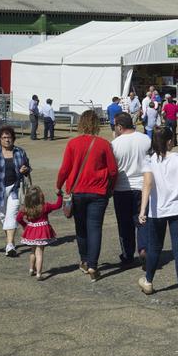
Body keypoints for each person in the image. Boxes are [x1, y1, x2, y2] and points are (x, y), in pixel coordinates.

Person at [56, 110, 118, 282]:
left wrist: (58, 186)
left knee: (81, 228)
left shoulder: (73, 143)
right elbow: (113, 170)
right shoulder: (104, 144)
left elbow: (64, 169)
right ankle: (93, 264)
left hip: (77, 191)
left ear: (81, 124)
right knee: (95, 228)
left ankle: (84, 259)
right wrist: (110, 188)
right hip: (98, 192)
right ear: (97, 125)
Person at [136, 127, 178, 304]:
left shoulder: (149, 160)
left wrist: (142, 210)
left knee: (155, 247)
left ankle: (148, 281)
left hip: (157, 210)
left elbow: (147, 184)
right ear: (169, 141)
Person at [0, 126, 31, 257]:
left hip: (16, 188)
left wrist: (25, 169)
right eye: (4, 138)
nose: (7, 140)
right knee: (4, 217)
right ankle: (11, 241)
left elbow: (28, 167)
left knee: (11, 215)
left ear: (13, 138)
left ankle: (9, 246)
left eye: (9, 137)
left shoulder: (20, 152)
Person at [111, 112, 152, 266]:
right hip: (143, 186)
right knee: (142, 220)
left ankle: (128, 254)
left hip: (122, 187)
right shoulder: (145, 139)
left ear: (119, 127)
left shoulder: (115, 144)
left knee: (124, 223)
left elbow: (112, 168)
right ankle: (144, 248)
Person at [16, 186, 62, 281]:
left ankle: (31, 269)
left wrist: (25, 225)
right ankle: (39, 274)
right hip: (42, 232)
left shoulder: (25, 209)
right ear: (41, 197)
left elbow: (18, 218)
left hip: (31, 231)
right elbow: (58, 205)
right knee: (39, 252)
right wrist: (59, 195)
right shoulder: (45, 206)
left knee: (32, 251)